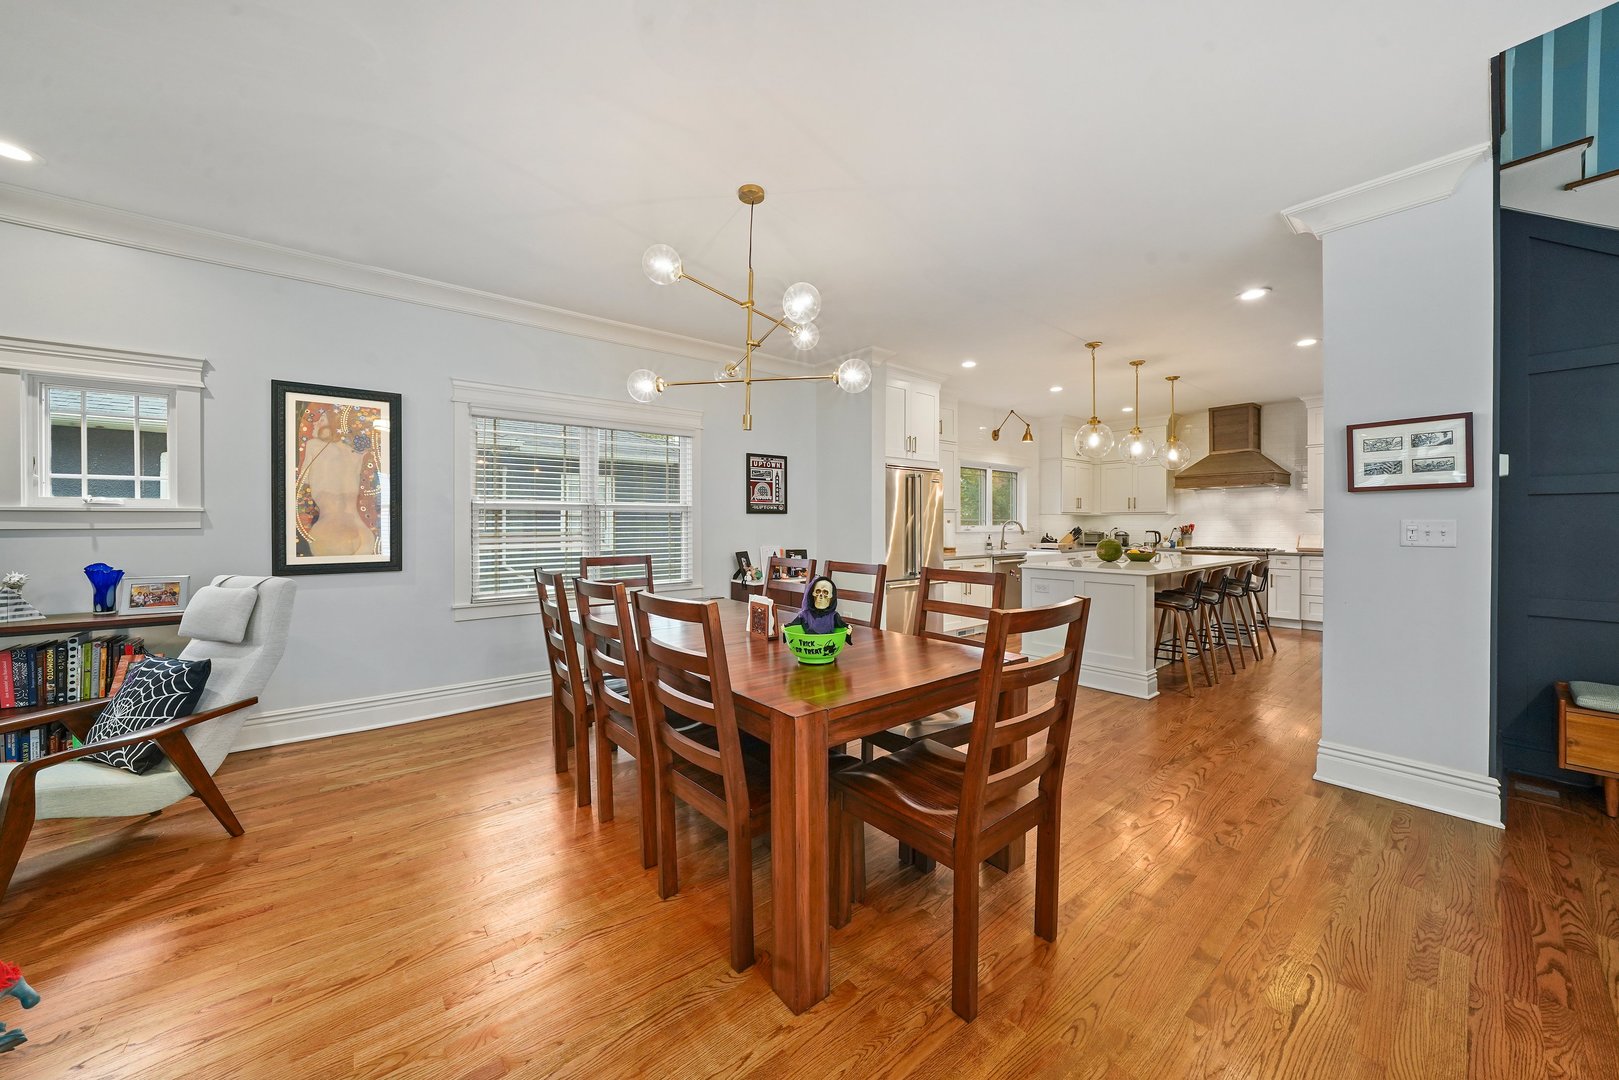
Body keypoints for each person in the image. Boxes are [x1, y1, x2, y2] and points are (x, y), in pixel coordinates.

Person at [783, 575, 851, 639]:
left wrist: (848, 628)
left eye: (825, 592)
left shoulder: (833, 616)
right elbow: (793, 625)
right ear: (812, 594)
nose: (821, 595)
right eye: (818, 591)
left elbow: (842, 626)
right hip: (808, 644)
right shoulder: (805, 615)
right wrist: (785, 627)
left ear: (831, 597)